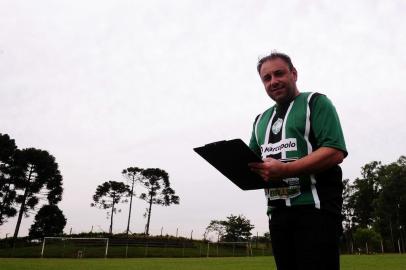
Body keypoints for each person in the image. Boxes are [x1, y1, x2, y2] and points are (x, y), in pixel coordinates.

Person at [248, 52, 347, 270]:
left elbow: (334, 150)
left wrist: (285, 170)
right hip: (277, 213)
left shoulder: (316, 102)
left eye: (279, 74)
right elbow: (252, 163)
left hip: (316, 210)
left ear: (293, 73)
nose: (273, 81)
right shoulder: (260, 120)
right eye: (267, 78)